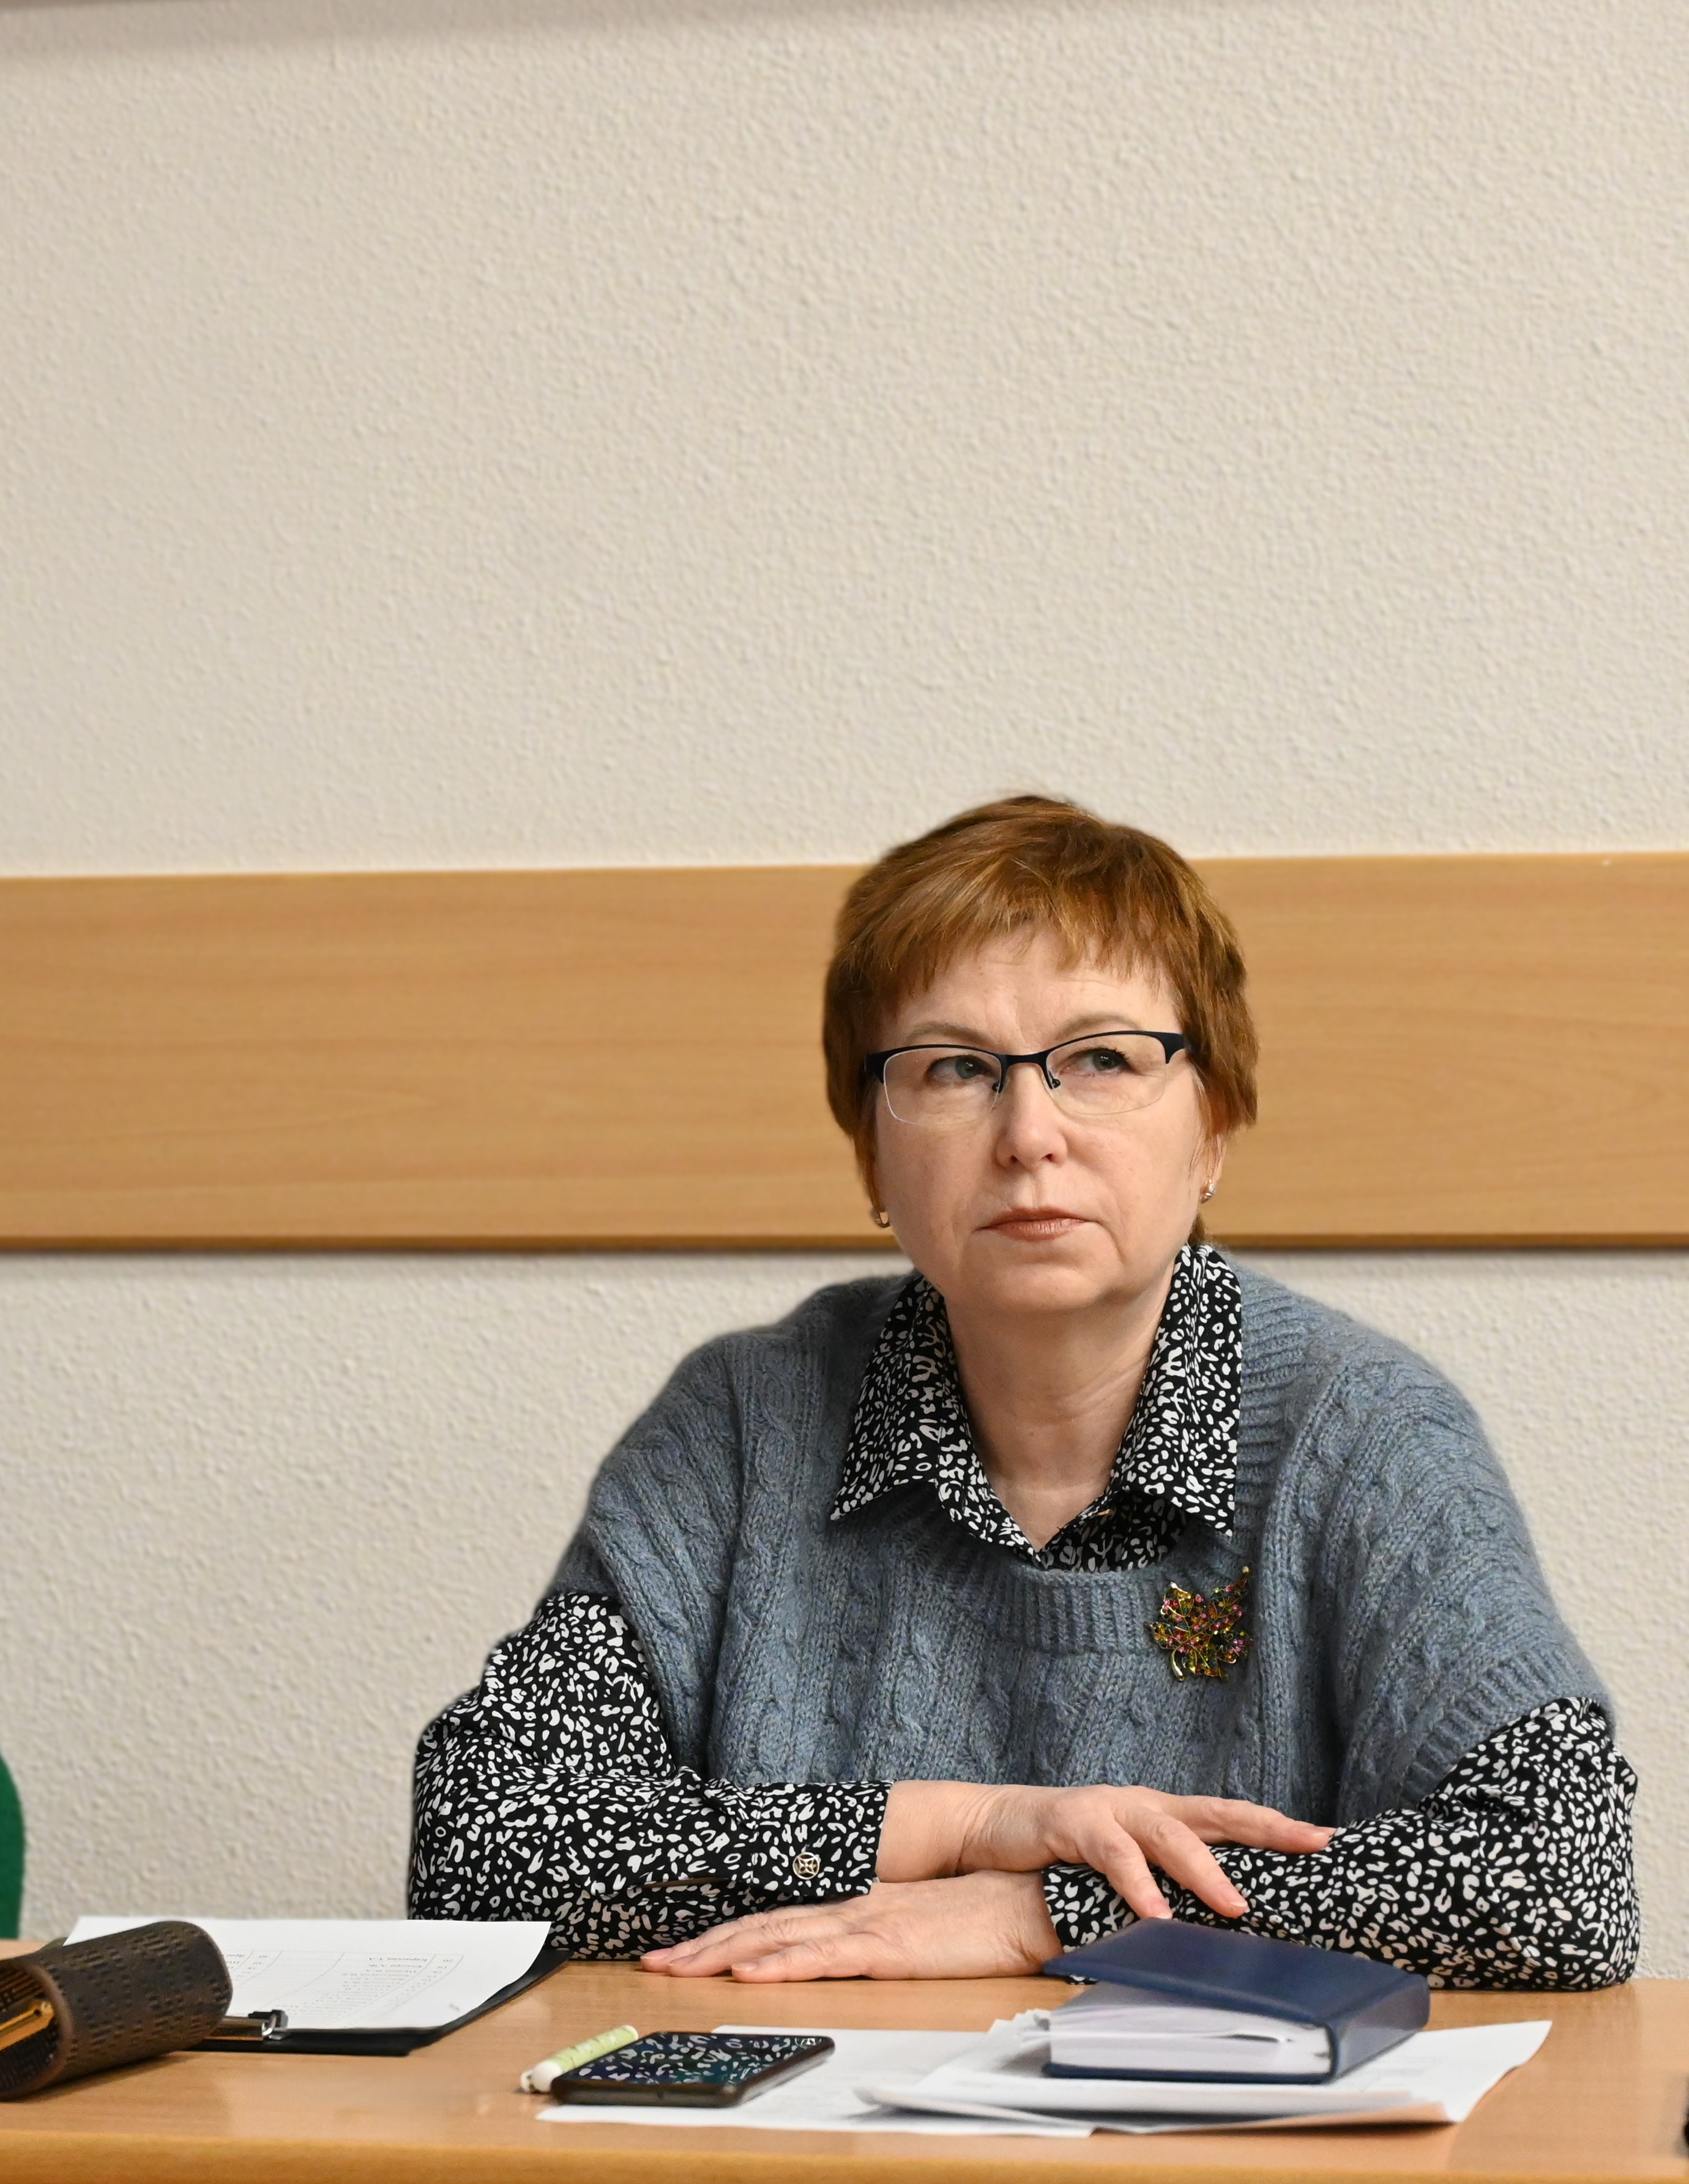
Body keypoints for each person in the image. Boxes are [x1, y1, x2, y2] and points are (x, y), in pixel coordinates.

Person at [409, 795, 1635, 1990]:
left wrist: (1045, 1909)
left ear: (1213, 1128)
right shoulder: (745, 1418)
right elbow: (479, 1841)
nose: (1029, 1133)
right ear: (870, 1151)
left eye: (1102, 1059)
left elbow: (1563, 1876)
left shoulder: (1363, 1430)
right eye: (955, 1068)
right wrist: (969, 1825)